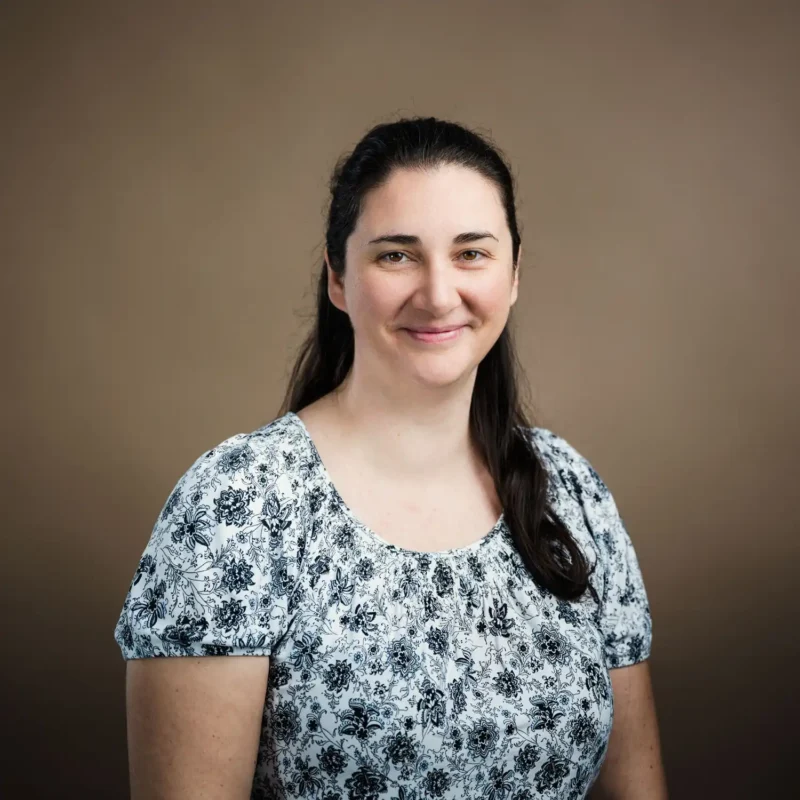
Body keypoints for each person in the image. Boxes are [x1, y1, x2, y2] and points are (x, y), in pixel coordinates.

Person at [114, 116, 668, 800]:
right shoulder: (241, 506)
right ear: (338, 279)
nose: (438, 294)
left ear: (515, 275)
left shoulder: (569, 493)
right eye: (396, 255)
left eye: (472, 253)